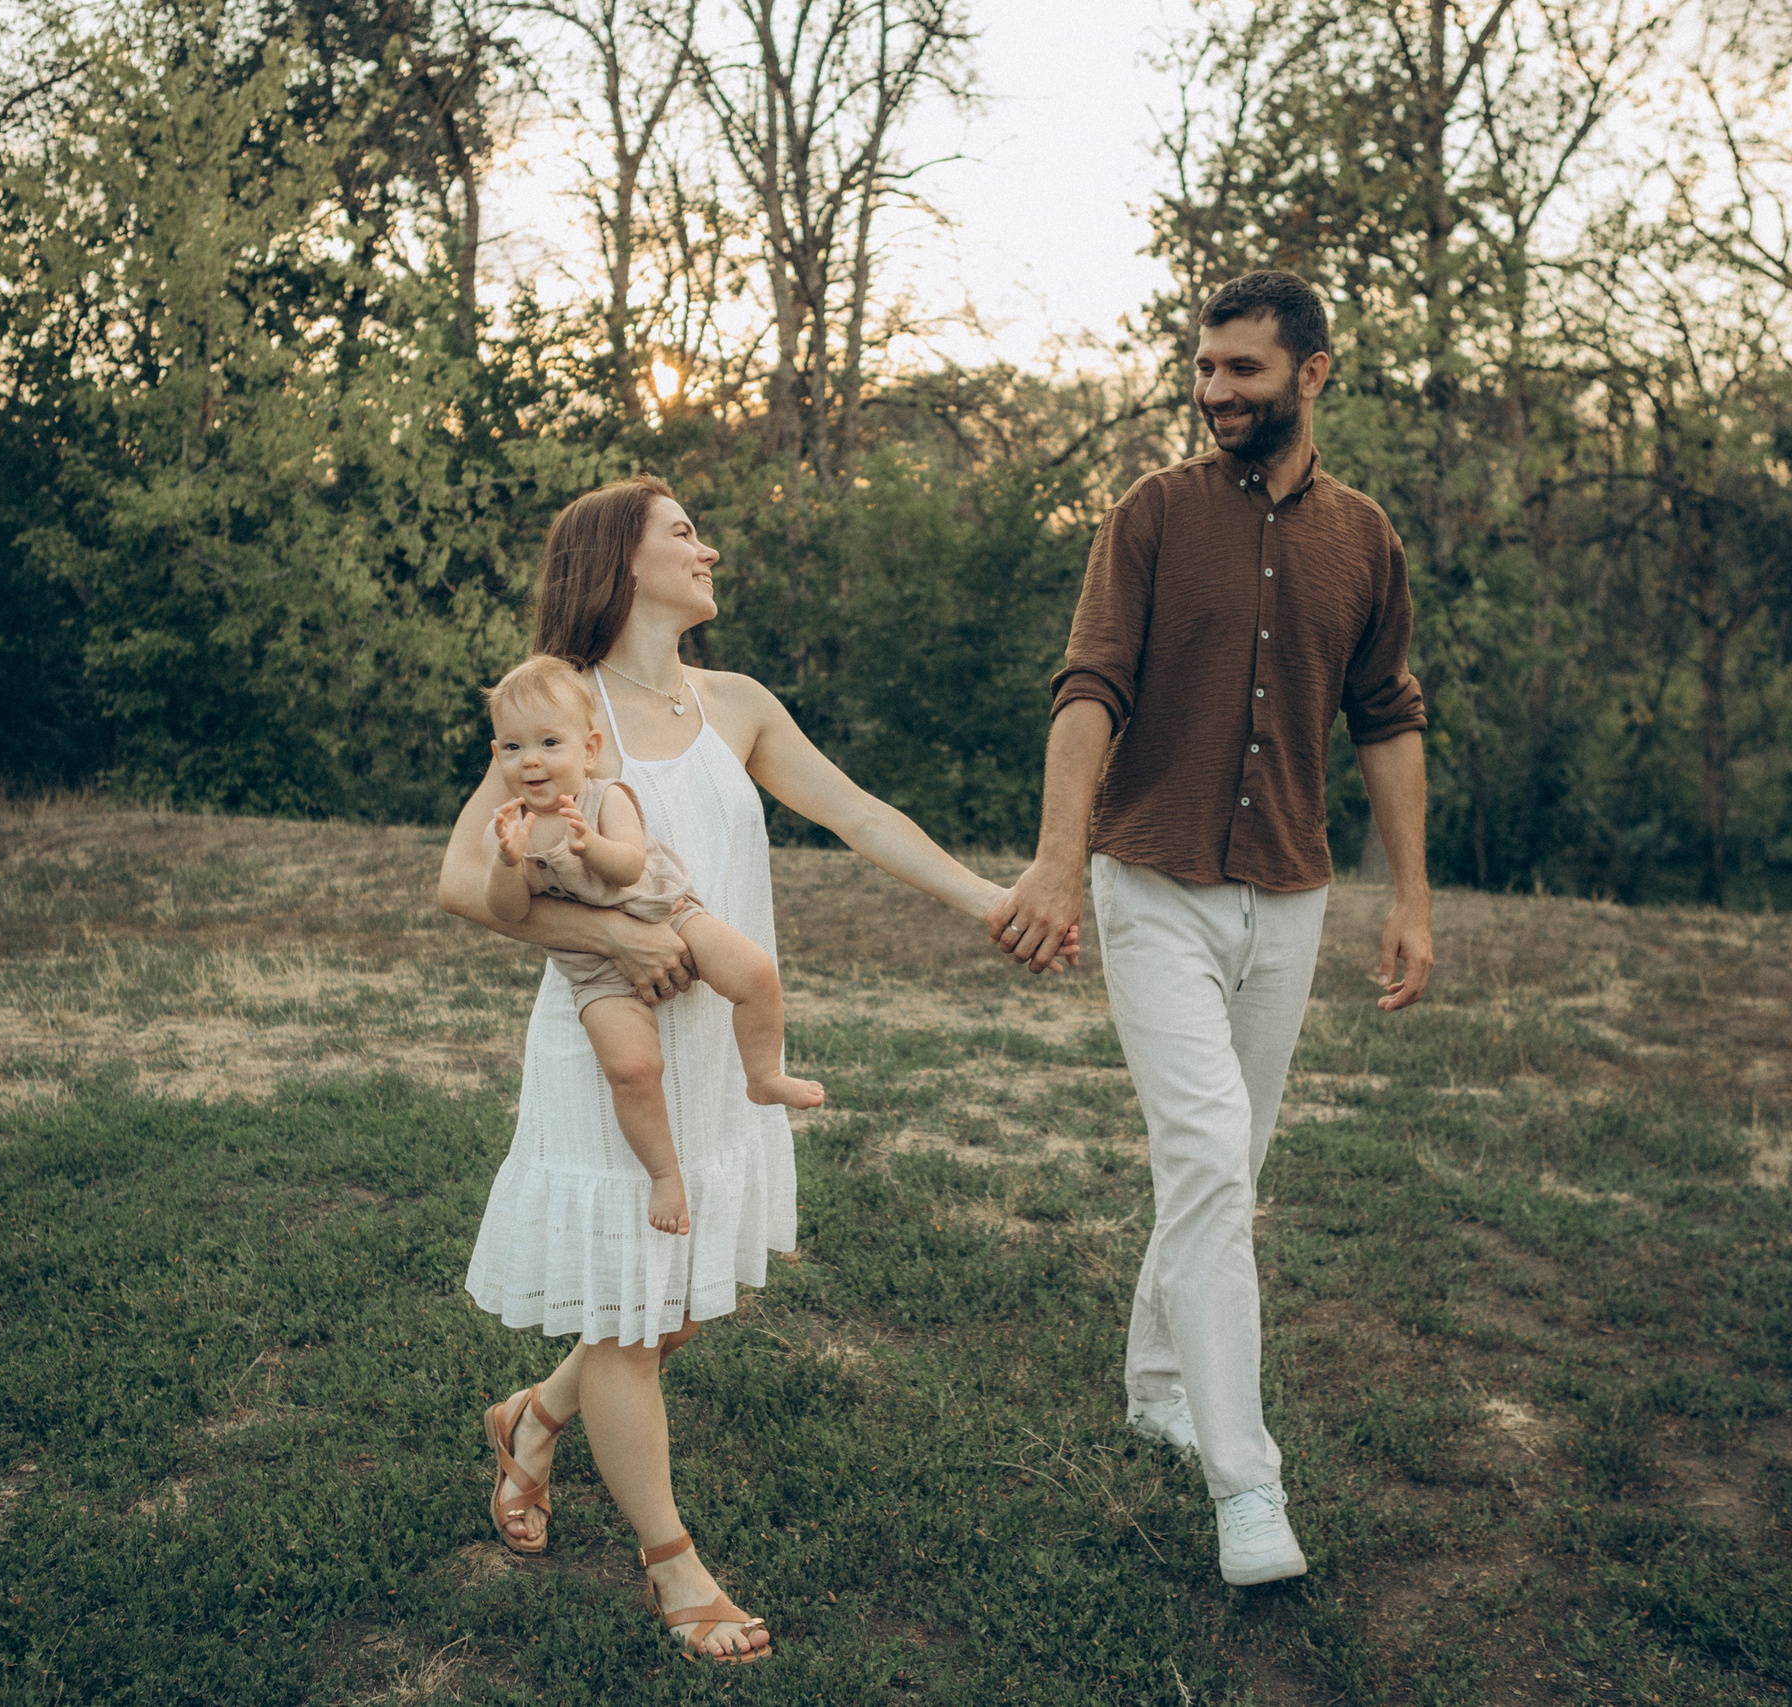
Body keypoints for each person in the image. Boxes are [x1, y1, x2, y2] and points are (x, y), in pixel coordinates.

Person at [439, 475, 1075, 1661]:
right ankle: (675, 1570)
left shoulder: (736, 702)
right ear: (619, 561)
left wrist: (989, 900)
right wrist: (612, 935)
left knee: (670, 1308)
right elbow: (464, 883)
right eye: (683, 534)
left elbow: (859, 814)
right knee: (634, 1322)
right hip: (609, 1057)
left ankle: (533, 1414)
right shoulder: (567, 712)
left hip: (715, 1048)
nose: (708, 549)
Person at [986, 270, 1434, 1587]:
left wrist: (1409, 896)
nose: (1215, 390)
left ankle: (1157, 1383)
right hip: (1155, 885)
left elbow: (1389, 715)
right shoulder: (1152, 515)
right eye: (1206, 367)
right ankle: (1247, 1482)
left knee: (1223, 1168)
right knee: (1203, 1158)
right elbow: (1088, 688)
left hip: (1290, 898)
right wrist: (1059, 861)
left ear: (1314, 371)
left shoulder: (1367, 538)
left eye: (1244, 369)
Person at [479, 653, 827, 1237]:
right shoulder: (512, 825)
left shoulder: (604, 798)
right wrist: (507, 863)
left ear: (587, 750)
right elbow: (509, 912)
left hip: (669, 910)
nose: (531, 760)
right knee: (632, 1069)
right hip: (594, 970)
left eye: (548, 742)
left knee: (755, 972)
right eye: (512, 748)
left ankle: (763, 1074)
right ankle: (664, 1174)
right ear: (497, 757)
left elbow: (629, 865)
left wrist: (590, 845)